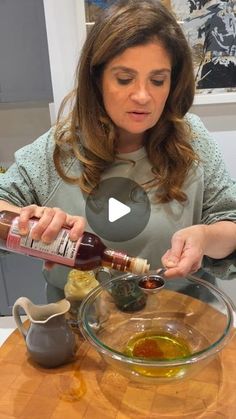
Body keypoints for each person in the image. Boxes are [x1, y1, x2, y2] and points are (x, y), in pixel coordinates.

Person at [0, 0, 236, 302]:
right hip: (78, 328)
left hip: (180, 320)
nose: (142, 96)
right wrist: (27, 219)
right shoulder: (60, 147)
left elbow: (230, 223)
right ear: (97, 79)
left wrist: (205, 238)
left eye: (158, 80)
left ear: (173, 82)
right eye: (124, 79)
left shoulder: (192, 141)